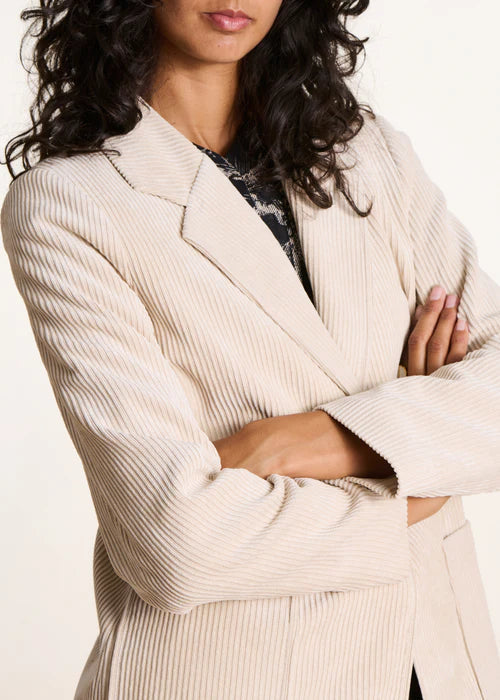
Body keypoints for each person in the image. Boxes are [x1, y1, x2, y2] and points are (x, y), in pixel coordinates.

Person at [2, 1, 499, 698]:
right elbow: (176, 543)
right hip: (235, 674)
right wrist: (422, 471)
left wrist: (301, 442)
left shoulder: (367, 153)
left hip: (439, 664)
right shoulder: (68, 205)